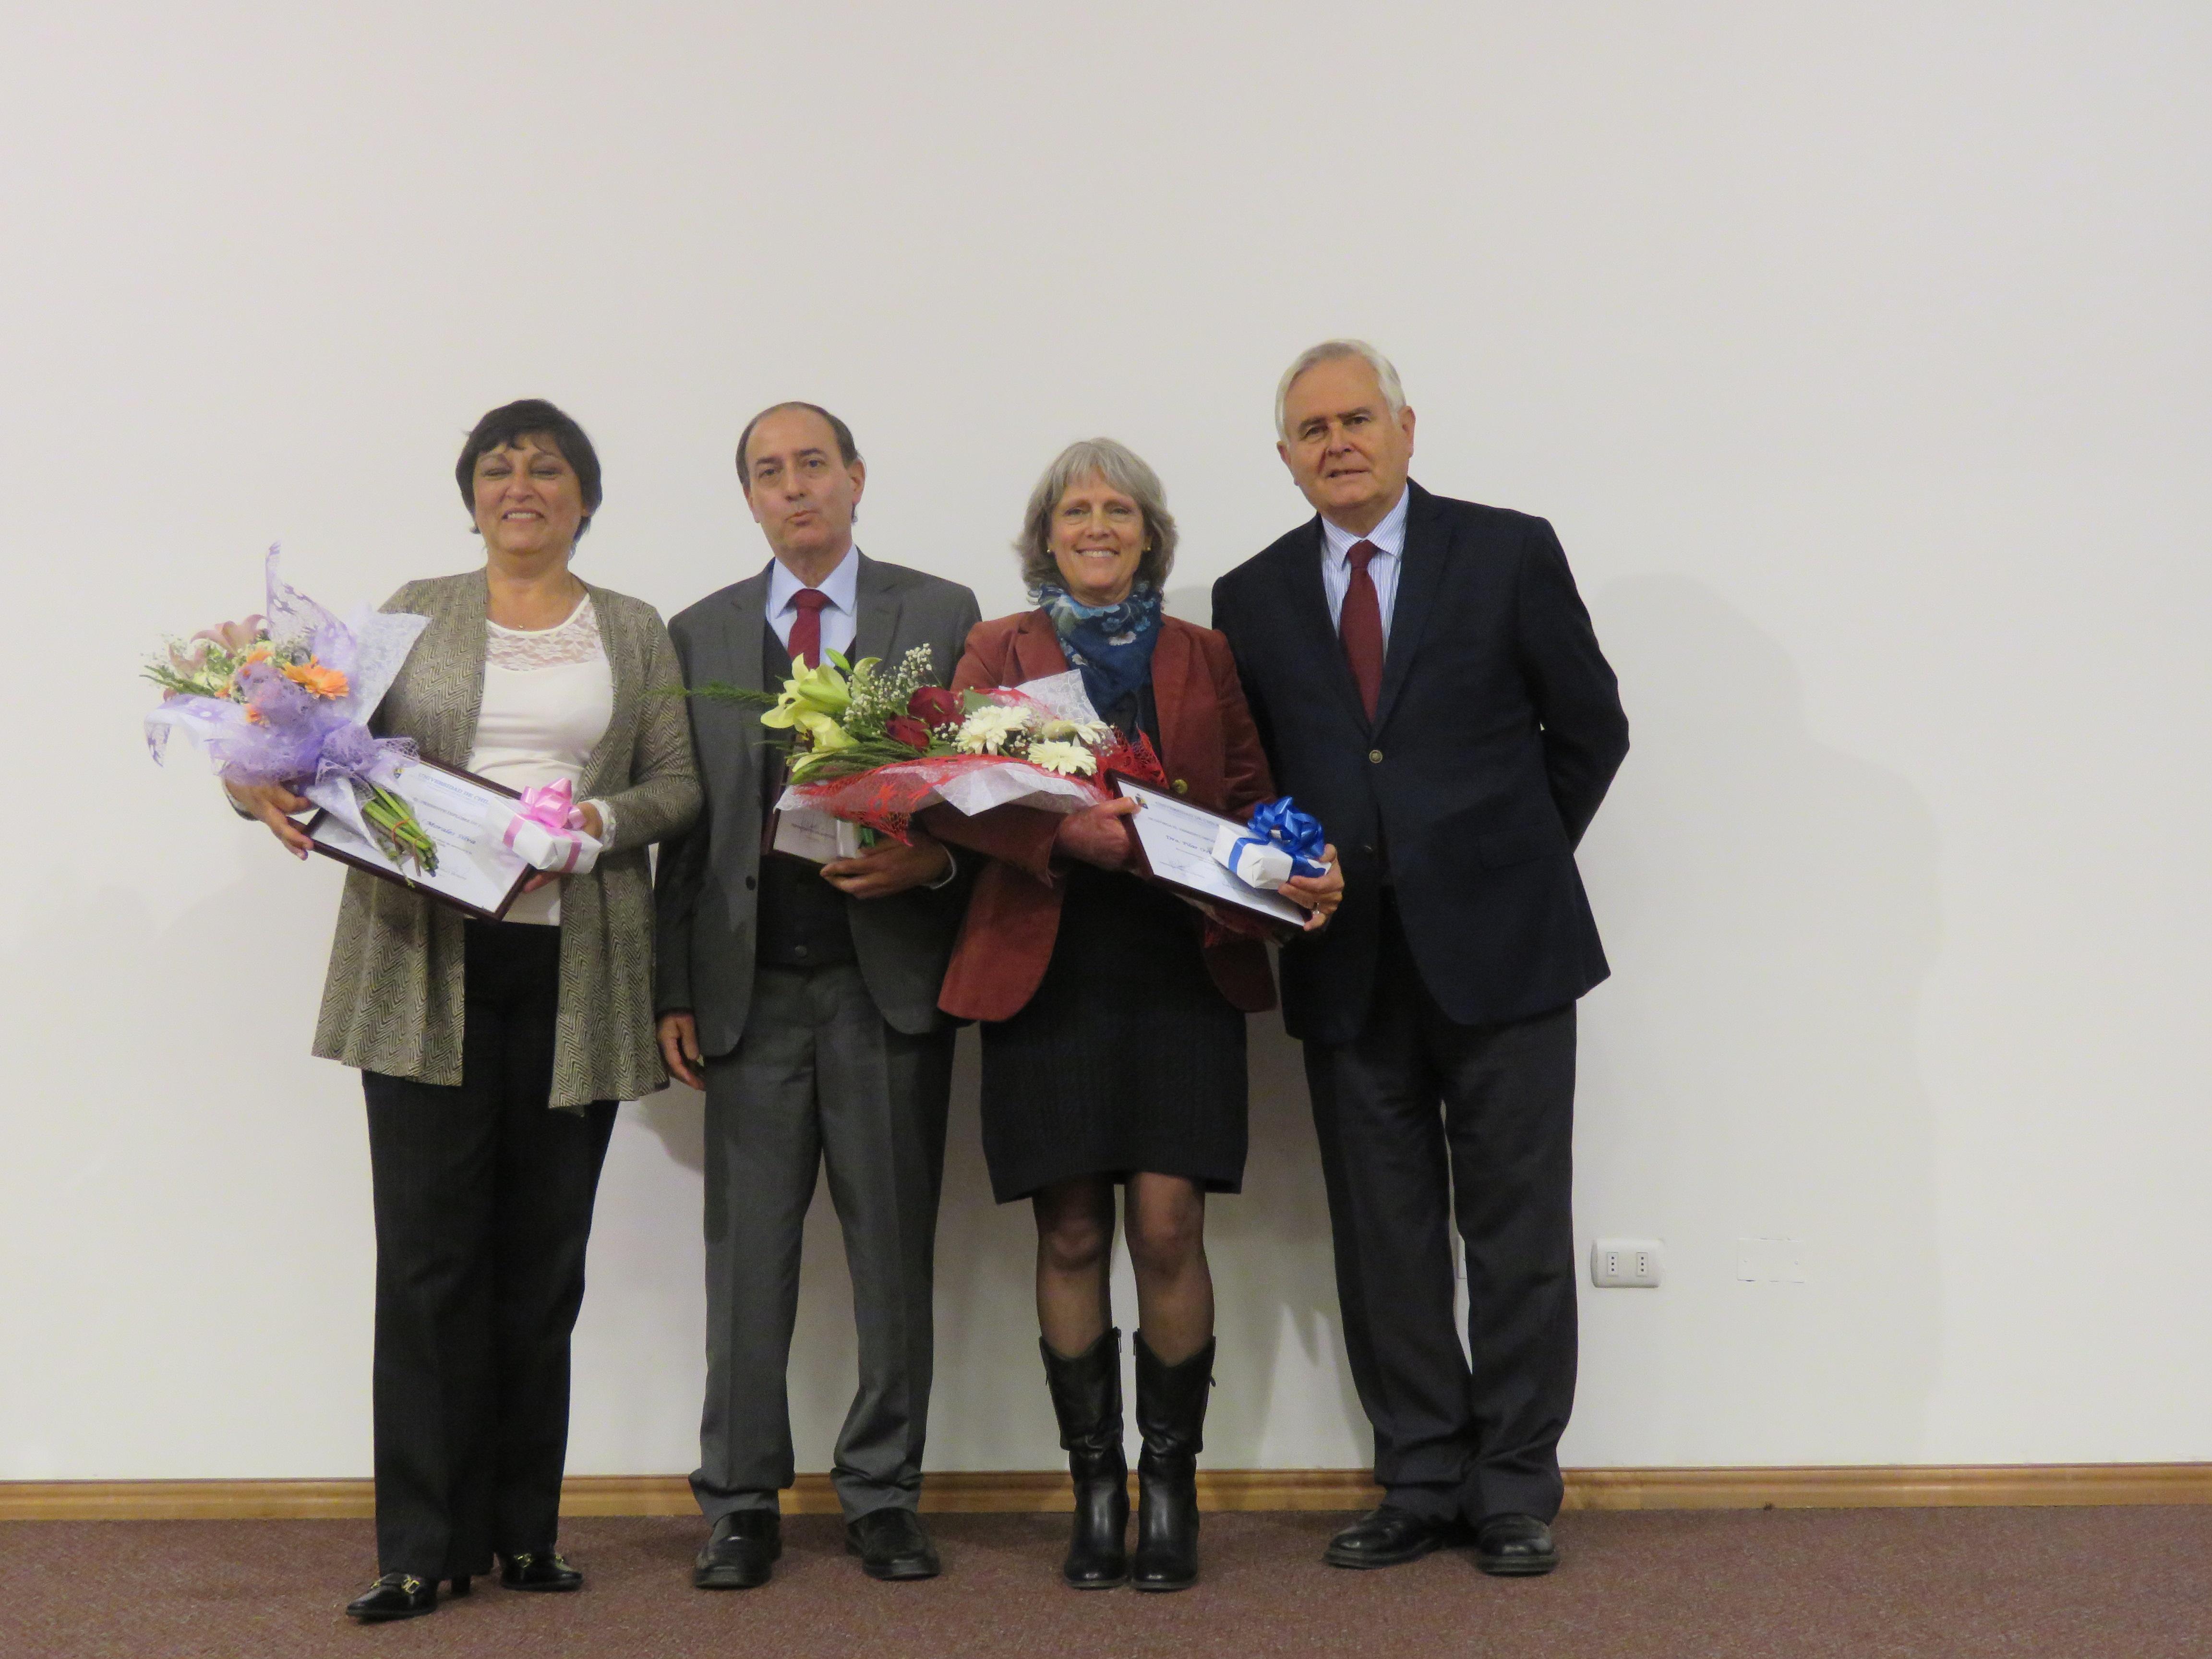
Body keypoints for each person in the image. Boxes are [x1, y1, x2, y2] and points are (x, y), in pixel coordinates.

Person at [229, 399, 701, 1622]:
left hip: (577, 971)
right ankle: (418, 1546)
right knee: (432, 1262)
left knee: (543, 1268)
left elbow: (677, 786)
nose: (521, 486)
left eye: (547, 469)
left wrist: (593, 826)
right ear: (472, 496)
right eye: (498, 469)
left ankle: (523, 1534)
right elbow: (317, 751)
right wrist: (249, 776)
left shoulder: (636, 629)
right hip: (424, 970)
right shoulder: (410, 614)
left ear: (585, 497)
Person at [1211, 343, 1628, 1578]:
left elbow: (1590, 727)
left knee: (1515, 1230)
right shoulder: (1253, 593)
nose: (1337, 443)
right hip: (1347, 961)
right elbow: (1263, 778)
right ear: (1284, 457)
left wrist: (1503, 858)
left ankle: (1512, 1485)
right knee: (1382, 1234)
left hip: (1506, 950)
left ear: (1405, 428)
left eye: (1357, 419)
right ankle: (1420, 1475)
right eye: (1311, 430)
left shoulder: (1508, 550)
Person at [926, 438, 1342, 1593]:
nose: (1098, 525)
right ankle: (1093, 1489)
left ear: (1149, 533)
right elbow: (952, 799)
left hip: (1178, 967)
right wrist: (1067, 832)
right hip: (1045, 963)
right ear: (1046, 535)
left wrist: (1284, 862)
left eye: (1119, 509)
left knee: (1167, 1229)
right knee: (1067, 1233)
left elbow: (1255, 793)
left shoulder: (1205, 654)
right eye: (1076, 510)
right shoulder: (994, 651)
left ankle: (1173, 1492)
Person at [653, 402, 981, 1589]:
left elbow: (982, 796)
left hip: (884, 982)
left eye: (813, 466)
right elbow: (681, 830)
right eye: (768, 473)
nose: (794, 489)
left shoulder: (939, 616)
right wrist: (671, 986)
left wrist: (932, 865)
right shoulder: (700, 634)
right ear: (748, 498)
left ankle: (884, 1494)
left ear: (855, 478)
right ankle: (740, 1499)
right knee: (747, 1259)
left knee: (893, 1253)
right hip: (747, 994)